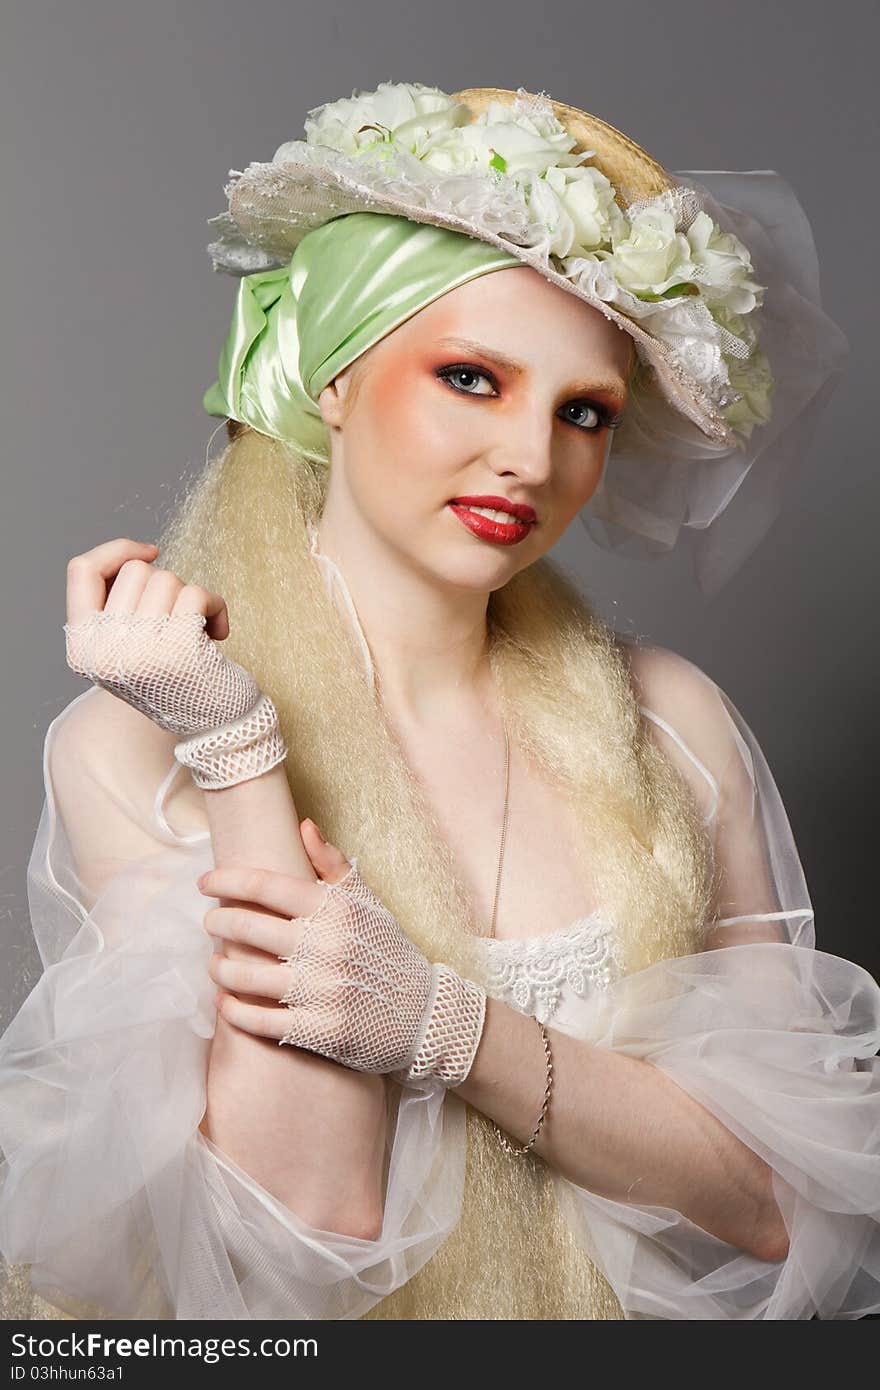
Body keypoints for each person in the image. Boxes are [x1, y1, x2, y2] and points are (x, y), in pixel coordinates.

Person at [0, 81, 877, 1322]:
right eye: (472, 377)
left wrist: (444, 1028)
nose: (533, 456)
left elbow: (783, 1207)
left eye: (584, 412)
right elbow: (297, 1241)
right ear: (334, 377)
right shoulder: (135, 743)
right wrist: (239, 751)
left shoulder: (672, 723)